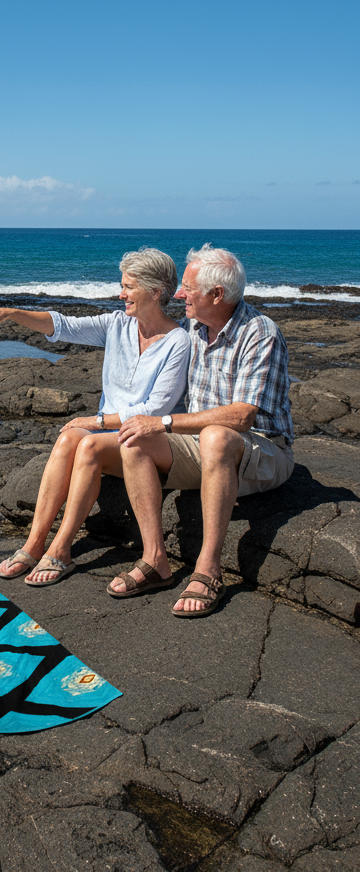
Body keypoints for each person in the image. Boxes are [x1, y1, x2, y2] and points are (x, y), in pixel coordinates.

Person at [0, 247, 190, 587]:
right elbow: (62, 325)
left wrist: (96, 421)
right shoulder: (117, 325)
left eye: (129, 286)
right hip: (111, 436)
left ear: (156, 292)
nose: (122, 293)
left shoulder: (178, 342)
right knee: (69, 437)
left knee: (86, 444)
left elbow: (156, 409)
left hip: (145, 441)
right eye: (123, 285)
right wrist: (12, 313)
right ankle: (34, 543)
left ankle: (61, 548)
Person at [110, 244, 294, 617]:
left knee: (216, 434)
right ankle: (155, 560)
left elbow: (242, 417)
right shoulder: (192, 330)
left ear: (217, 294)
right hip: (204, 447)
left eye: (188, 289)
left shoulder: (260, 333)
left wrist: (162, 422)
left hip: (265, 450)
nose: (179, 294)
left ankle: (208, 569)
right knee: (136, 442)